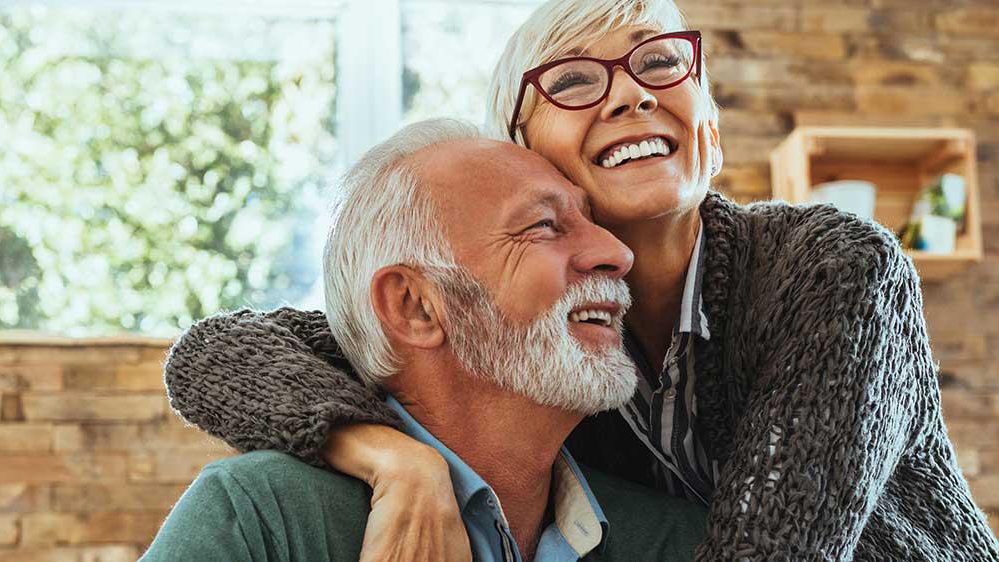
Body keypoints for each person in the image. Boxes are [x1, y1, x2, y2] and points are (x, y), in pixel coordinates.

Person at [162, 0, 999, 560]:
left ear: (710, 132)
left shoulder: (830, 270)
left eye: (662, 66)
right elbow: (219, 353)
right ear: (523, 153)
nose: (634, 96)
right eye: (573, 80)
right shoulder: (532, 336)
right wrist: (394, 458)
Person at [143, 119, 708, 562]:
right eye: (543, 226)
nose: (617, 253)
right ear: (415, 307)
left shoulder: (681, 541)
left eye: (591, 220)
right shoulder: (261, 519)